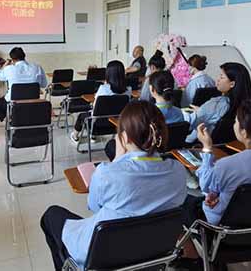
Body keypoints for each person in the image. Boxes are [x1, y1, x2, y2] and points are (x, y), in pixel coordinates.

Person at [41, 101, 187, 270]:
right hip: (151, 254)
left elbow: (94, 207)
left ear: (124, 138)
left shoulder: (106, 173)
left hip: (104, 254)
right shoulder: (178, 171)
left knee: (51, 216)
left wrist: (117, 161)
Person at [183, 62, 251, 143]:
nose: (218, 79)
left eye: (222, 77)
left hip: (199, 144)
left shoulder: (217, 103)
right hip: (225, 146)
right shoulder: (248, 106)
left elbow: (191, 122)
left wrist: (199, 112)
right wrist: (203, 110)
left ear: (232, 84)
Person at [69, 60, 131, 143]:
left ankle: (75, 135)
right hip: (116, 124)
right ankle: (93, 137)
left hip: (96, 125)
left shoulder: (103, 88)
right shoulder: (128, 90)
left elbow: (96, 107)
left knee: (82, 116)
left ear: (108, 74)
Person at [0, 47, 47, 122]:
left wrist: (5, 65)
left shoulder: (9, 69)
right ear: (24, 56)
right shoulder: (37, 67)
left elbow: (0, 76)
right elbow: (44, 84)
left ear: (12, 59)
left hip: (13, 102)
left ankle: (11, 118)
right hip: (33, 102)